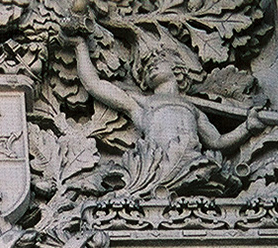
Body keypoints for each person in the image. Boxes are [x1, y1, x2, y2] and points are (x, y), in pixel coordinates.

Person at [75, 39, 263, 195]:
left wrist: (246, 128)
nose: (151, 65)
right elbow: (94, 85)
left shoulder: (194, 110)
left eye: (161, 59)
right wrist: (80, 46)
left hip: (192, 166)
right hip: (154, 169)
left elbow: (217, 142)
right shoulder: (142, 103)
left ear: (179, 69)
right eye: (146, 66)